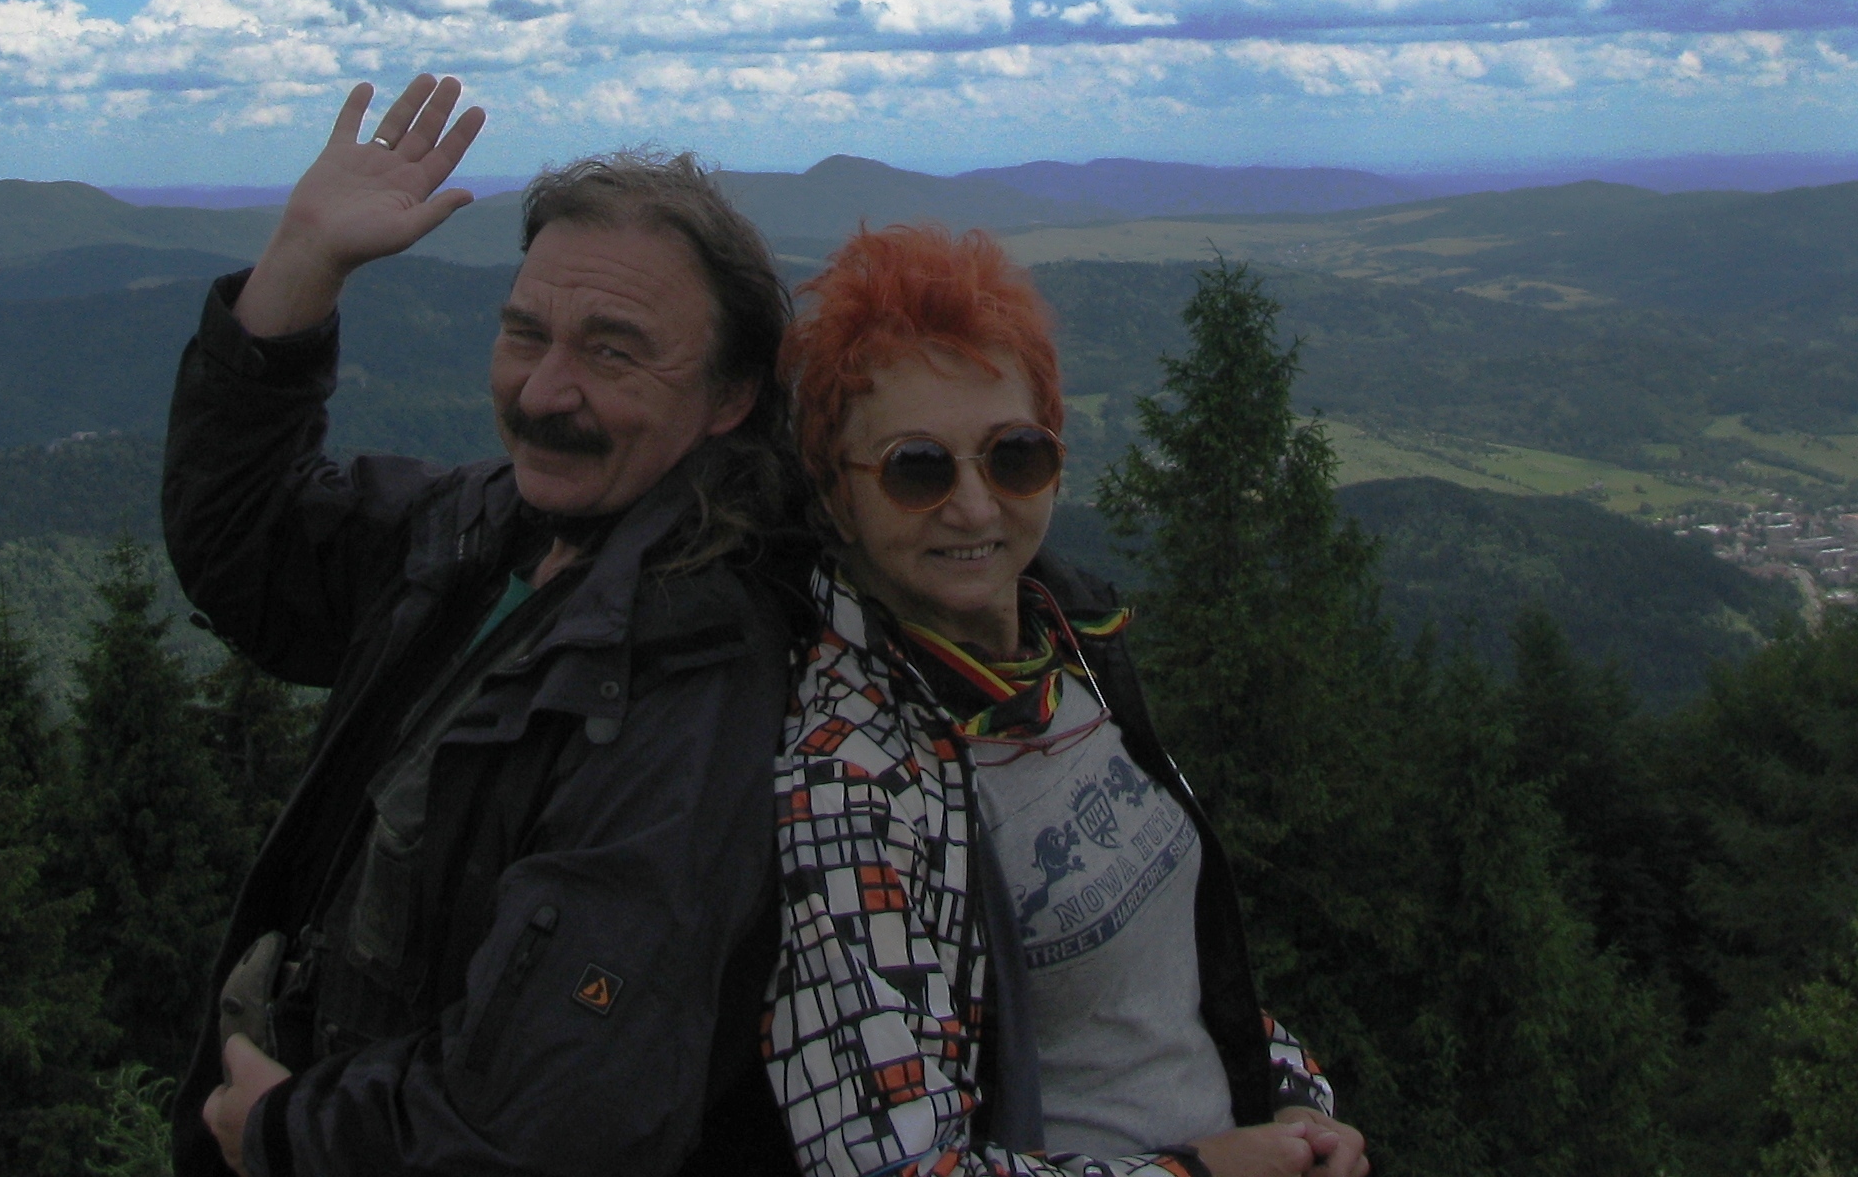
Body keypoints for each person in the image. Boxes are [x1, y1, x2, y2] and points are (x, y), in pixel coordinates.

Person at [163, 73, 809, 1177]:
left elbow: (557, 1121)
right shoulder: (484, 531)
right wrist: (302, 262)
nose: (545, 391)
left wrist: (288, 1135)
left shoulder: (691, 669)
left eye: (612, 351)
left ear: (730, 396)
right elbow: (247, 548)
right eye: (525, 334)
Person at [764, 223, 1371, 1177]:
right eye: (918, 468)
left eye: (1013, 456)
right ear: (837, 496)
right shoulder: (847, 781)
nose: (975, 508)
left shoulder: (1072, 655)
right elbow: (891, 1165)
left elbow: (1169, 989)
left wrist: (1296, 1101)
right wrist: (1204, 1171)